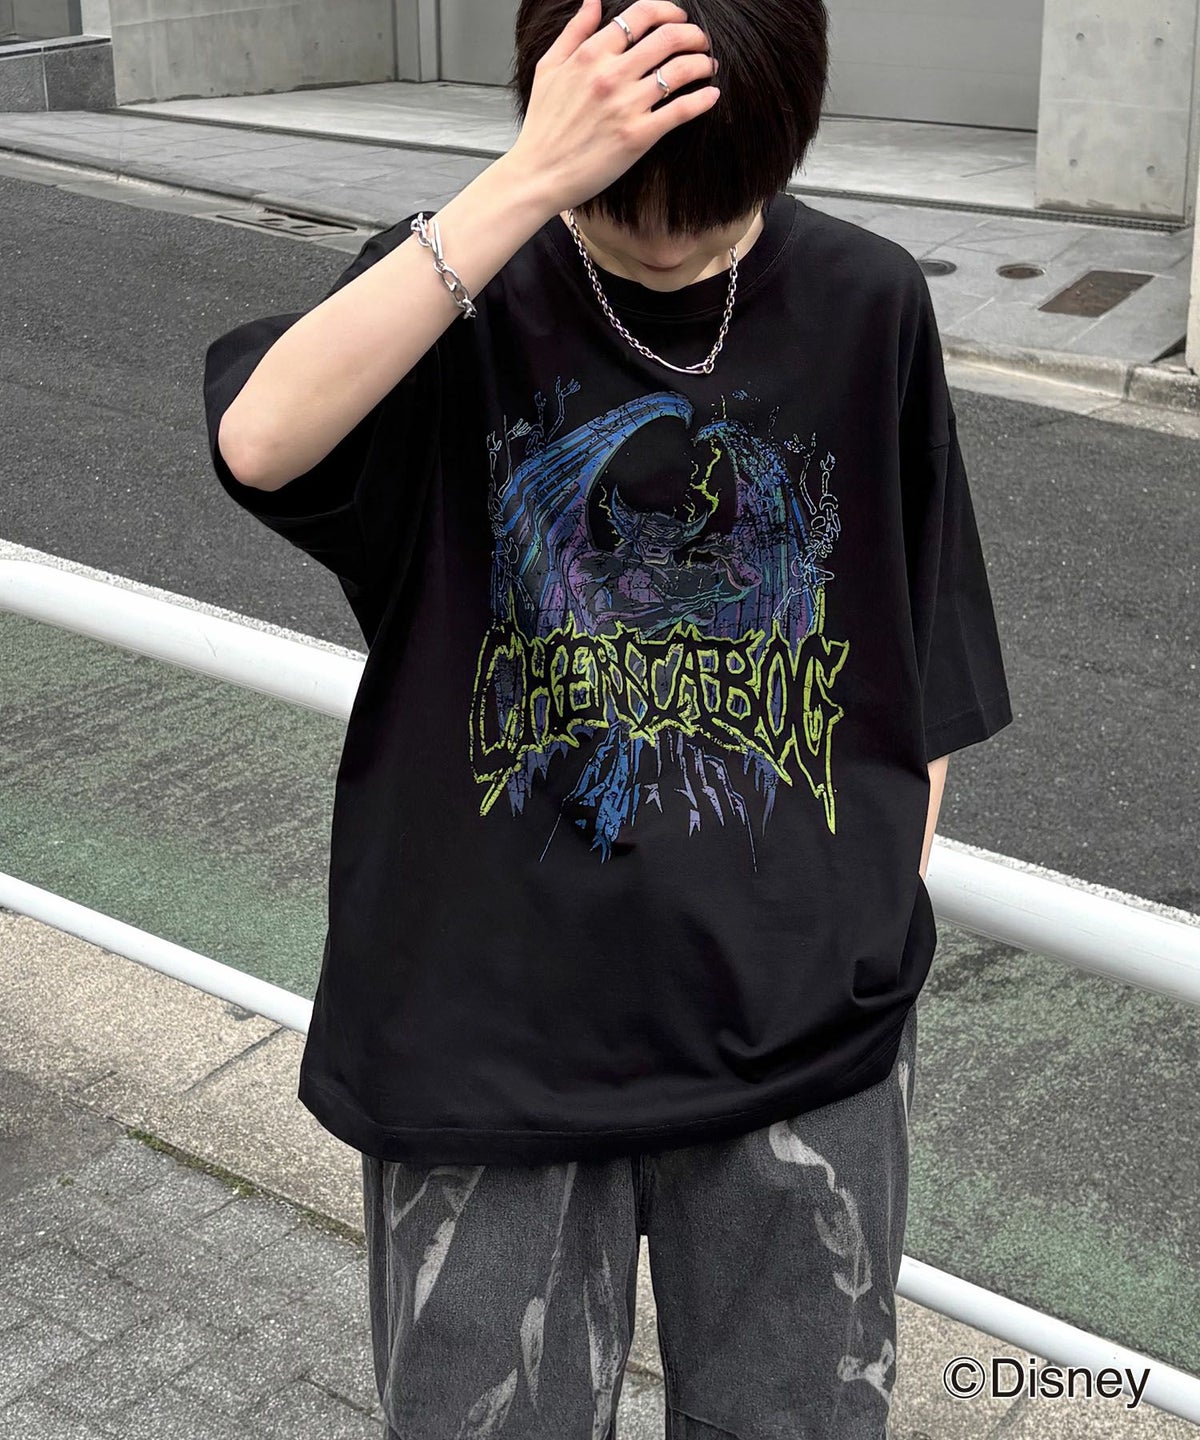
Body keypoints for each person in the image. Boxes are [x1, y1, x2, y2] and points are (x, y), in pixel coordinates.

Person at [202, 0, 1014, 1434]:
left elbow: (911, 641)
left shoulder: (870, 298)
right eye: (625, 205)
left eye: (712, 209)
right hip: (488, 1041)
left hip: (799, 1033)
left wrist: (863, 909)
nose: (667, 245)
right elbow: (262, 441)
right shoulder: (459, 291)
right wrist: (529, 180)